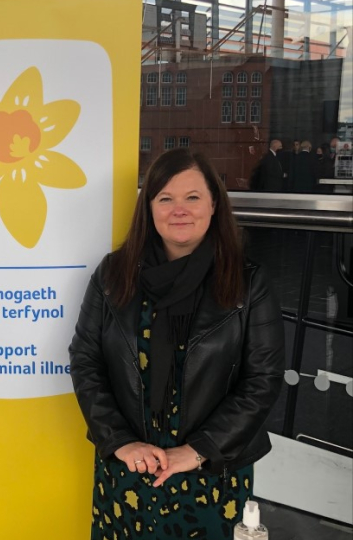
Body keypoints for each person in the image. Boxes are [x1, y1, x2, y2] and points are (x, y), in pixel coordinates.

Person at [69, 148, 284, 540]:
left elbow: (263, 380)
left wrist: (198, 449)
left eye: (193, 197)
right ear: (149, 208)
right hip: (129, 468)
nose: (179, 209)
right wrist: (119, 441)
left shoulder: (248, 284)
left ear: (214, 205)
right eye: (165, 198)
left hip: (212, 472)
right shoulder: (113, 275)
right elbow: (85, 361)